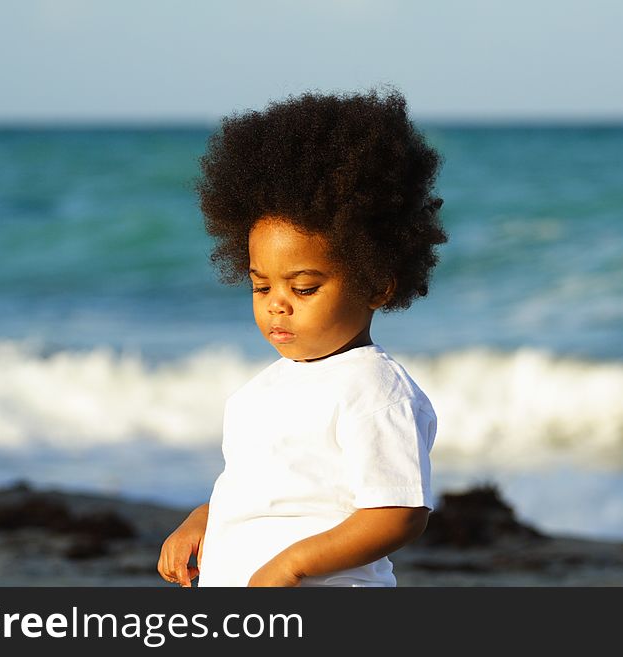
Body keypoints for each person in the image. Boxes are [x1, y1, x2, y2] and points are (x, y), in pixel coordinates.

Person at [157, 86, 448, 587]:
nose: (277, 302)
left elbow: (399, 512)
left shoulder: (374, 389)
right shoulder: (260, 391)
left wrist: (294, 563)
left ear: (376, 285)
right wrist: (204, 519)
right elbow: (270, 491)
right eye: (261, 285)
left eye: (305, 287)